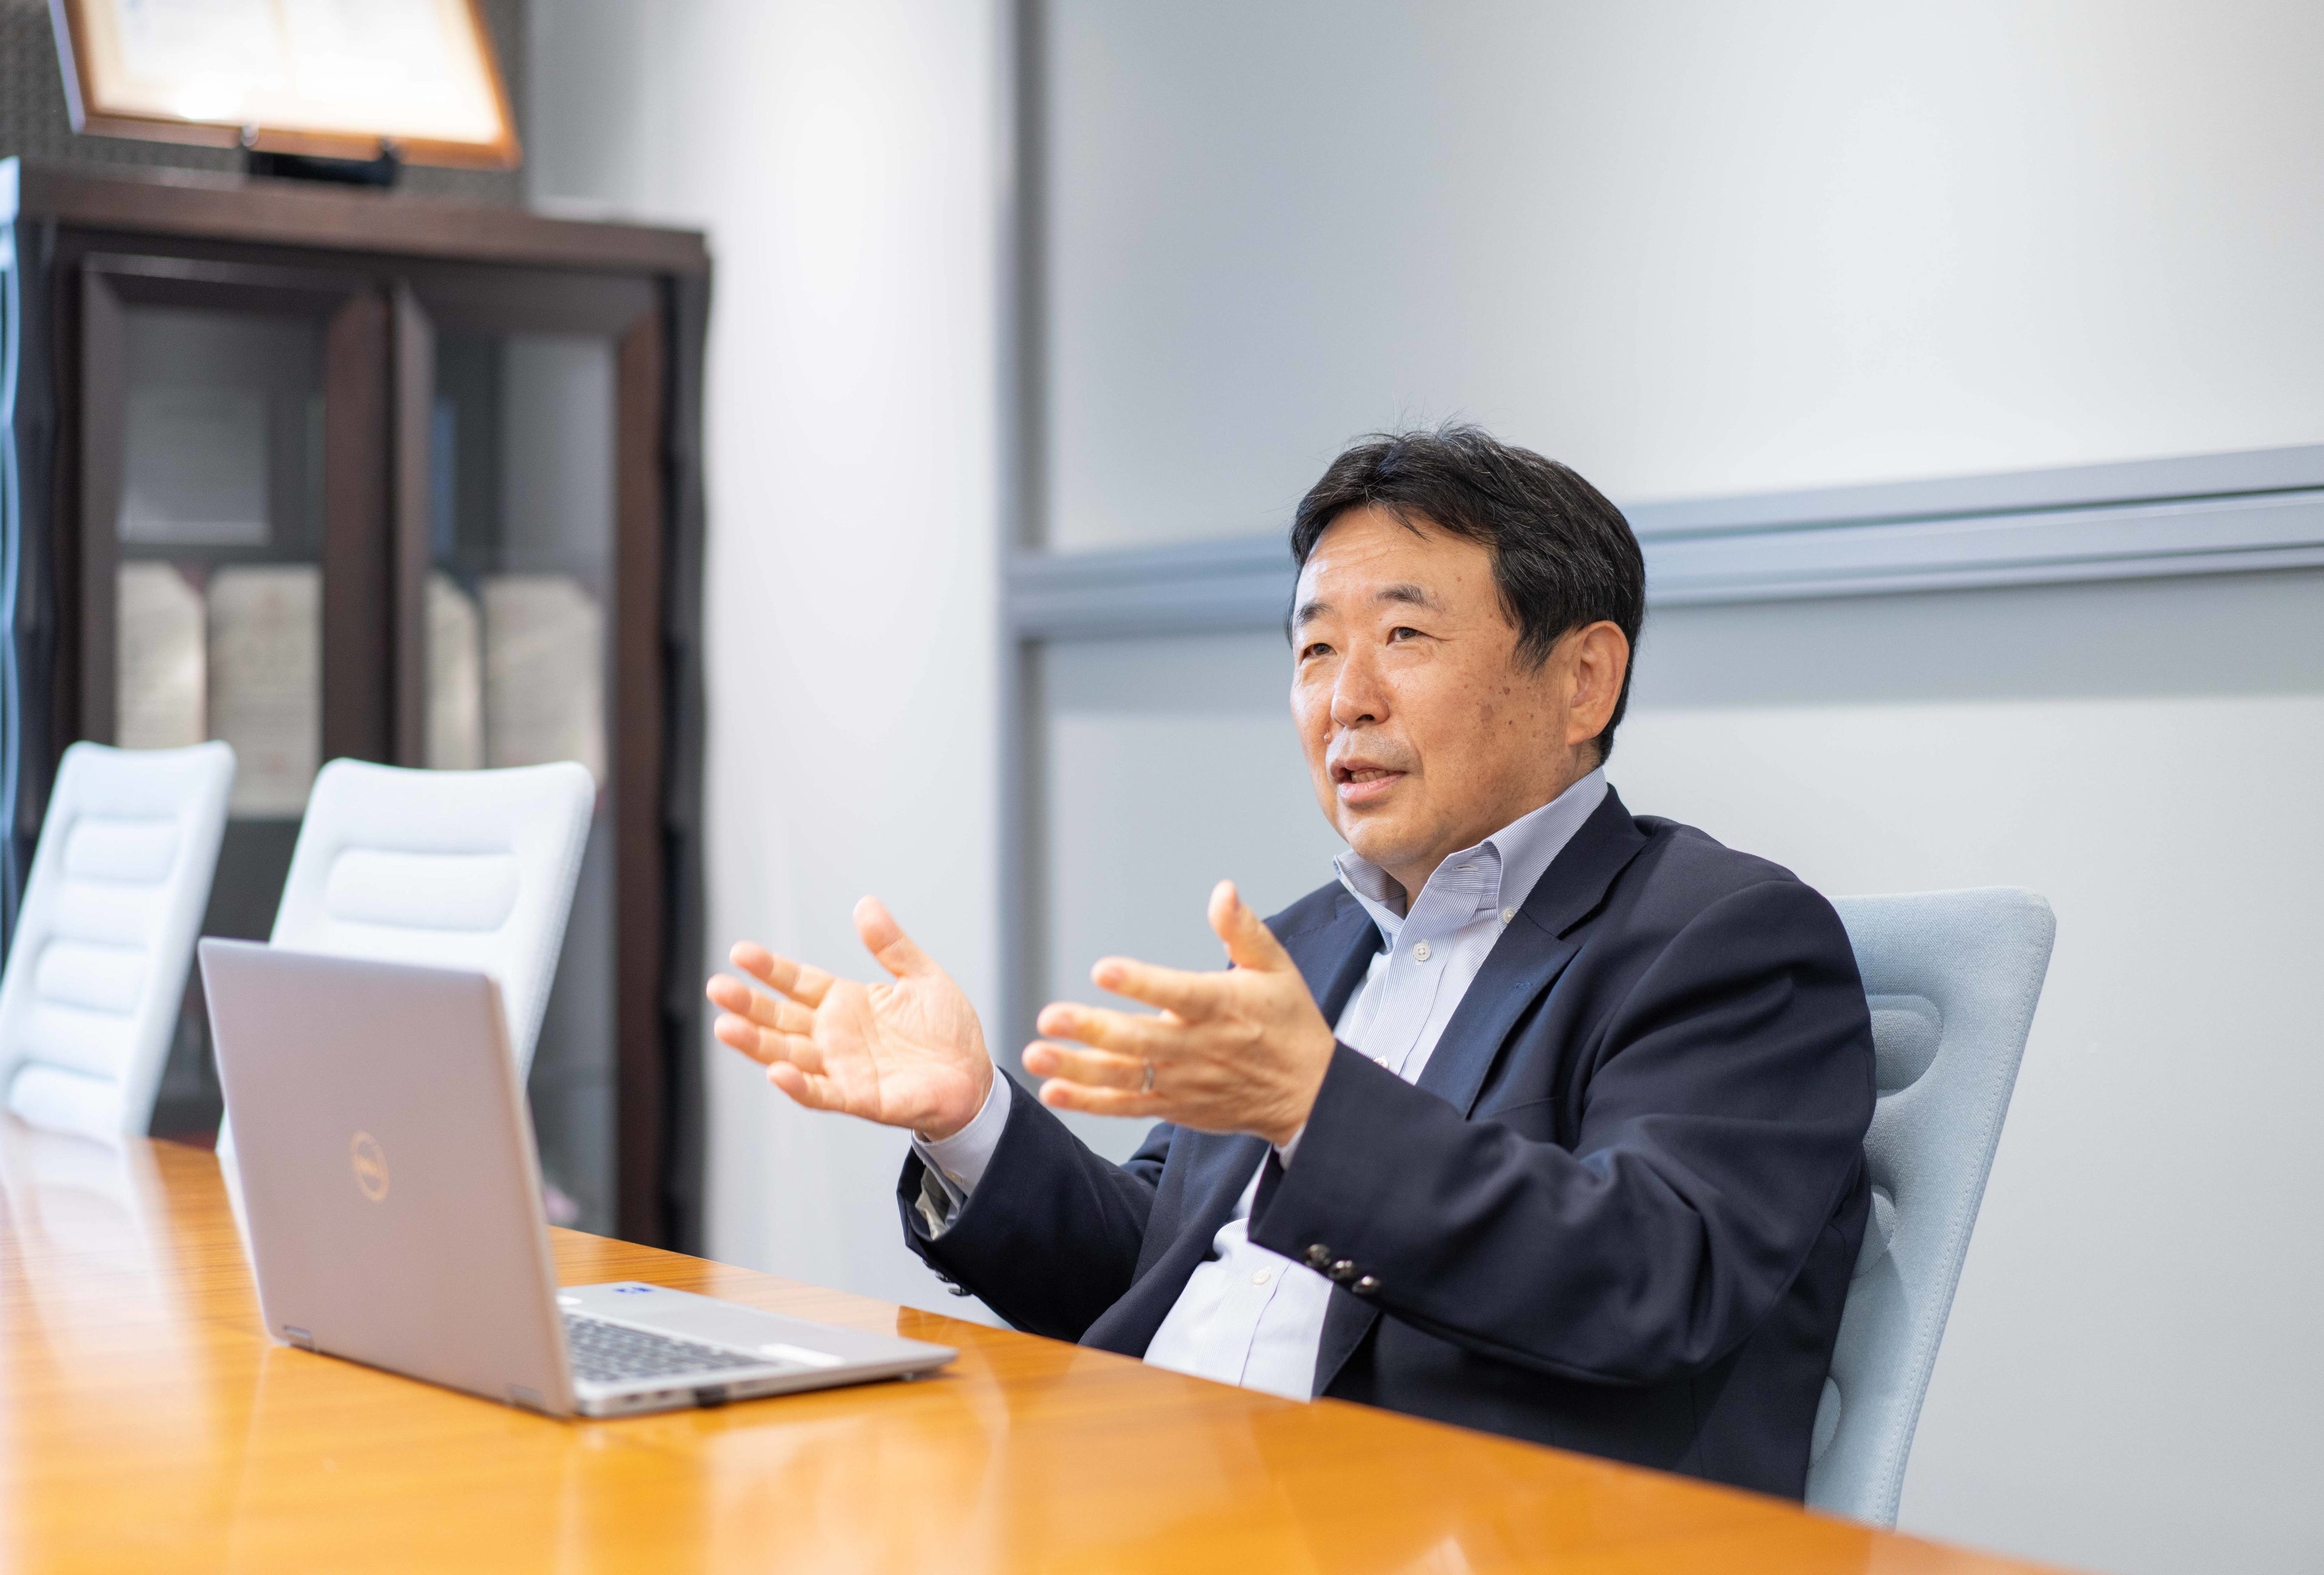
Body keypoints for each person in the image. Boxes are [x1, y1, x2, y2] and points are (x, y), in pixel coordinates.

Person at [708, 425, 1874, 1499]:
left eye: (1405, 638)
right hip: (1152, 1488)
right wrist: (971, 1122)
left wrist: (1319, 1115)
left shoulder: (1724, 936)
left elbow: (1653, 1278)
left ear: (1583, 680)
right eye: (1316, 650)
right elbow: (1149, 1269)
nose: (1345, 702)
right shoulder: (1307, 944)